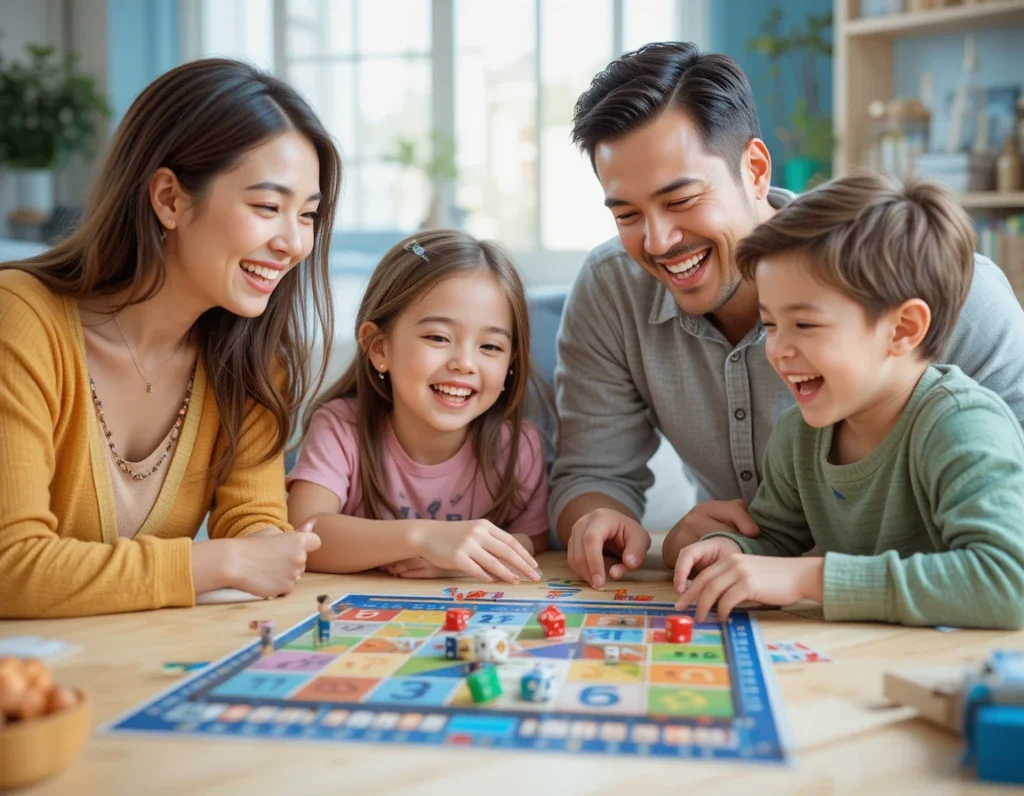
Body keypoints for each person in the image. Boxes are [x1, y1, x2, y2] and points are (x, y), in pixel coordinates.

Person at [554, 42, 1024, 587]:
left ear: (754, 169)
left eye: (681, 201)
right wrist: (618, 527)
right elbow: (591, 475)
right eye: (628, 215)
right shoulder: (612, 288)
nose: (658, 241)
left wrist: (814, 575)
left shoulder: (952, 294)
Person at [0, 58, 339, 618]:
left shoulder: (253, 360)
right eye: (267, 207)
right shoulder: (20, 320)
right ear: (169, 199)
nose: (294, 243)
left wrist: (263, 544)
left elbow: (253, 521)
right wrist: (220, 563)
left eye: (307, 215)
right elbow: (11, 567)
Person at [673, 173, 1024, 630]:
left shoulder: (962, 425)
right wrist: (735, 551)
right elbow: (775, 538)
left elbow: (1009, 582)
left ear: (903, 329)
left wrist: (810, 579)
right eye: (770, 324)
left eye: (805, 325)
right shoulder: (799, 436)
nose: (777, 350)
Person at [287, 230, 549, 584]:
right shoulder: (340, 428)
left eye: (490, 346)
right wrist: (422, 538)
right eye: (438, 338)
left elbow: (534, 539)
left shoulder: (519, 445)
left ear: (510, 363)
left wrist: (459, 561)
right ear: (379, 348)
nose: (464, 363)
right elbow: (303, 533)